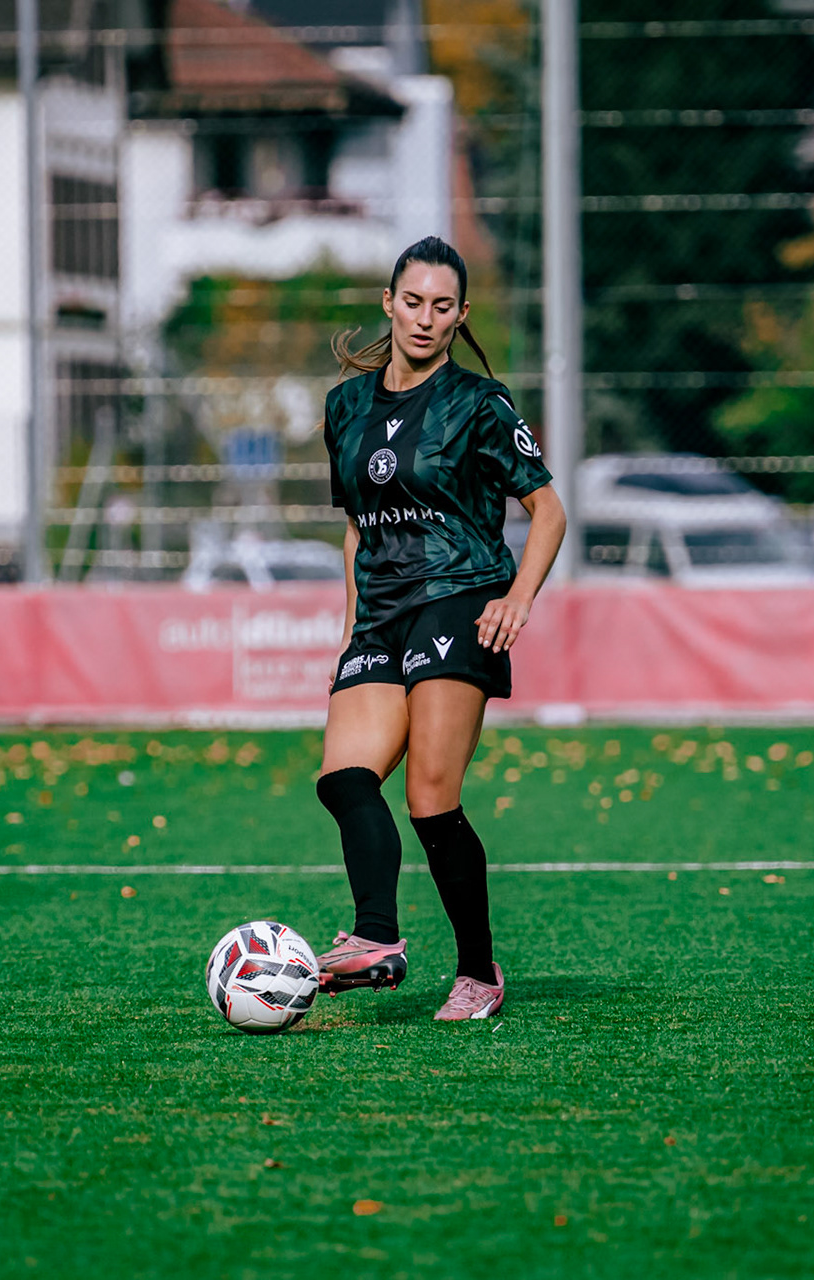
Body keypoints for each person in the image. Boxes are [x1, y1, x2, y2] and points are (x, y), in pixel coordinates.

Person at [312, 236, 566, 1022]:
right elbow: (358, 527)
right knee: (344, 779)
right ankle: (377, 941)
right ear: (388, 303)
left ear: (460, 316)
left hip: (461, 596)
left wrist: (518, 597)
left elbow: (548, 511)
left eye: (443, 306)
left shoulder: (479, 404)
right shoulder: (345, 406)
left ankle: (477, 971)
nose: (426, 318)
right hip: (383, 613)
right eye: (413, 301)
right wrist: (354, 633)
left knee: (430, 798)